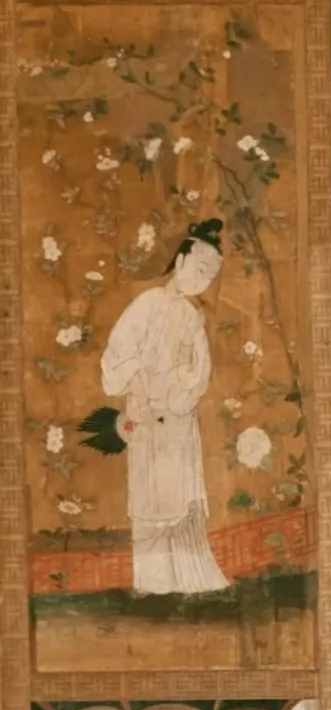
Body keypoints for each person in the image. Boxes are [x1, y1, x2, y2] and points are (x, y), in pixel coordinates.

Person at [93, 218, 229, 594]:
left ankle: (188, 580)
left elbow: (199, 373)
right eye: (200, 268)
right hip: (146, 417)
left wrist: (184, 377)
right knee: (150, 501)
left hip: (179, 422)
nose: (204, 279)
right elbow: (117, 353)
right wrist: (137, 381)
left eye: (211, 274)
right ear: (180, 260)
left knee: (182, 500)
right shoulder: (147, 304)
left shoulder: (192, 317)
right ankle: (152, 584)